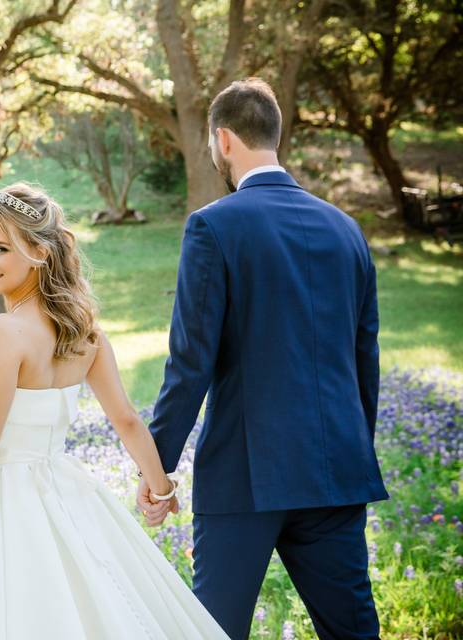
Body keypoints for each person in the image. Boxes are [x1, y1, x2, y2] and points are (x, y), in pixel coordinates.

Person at [0, 183, 227, 638]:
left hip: (3, 506)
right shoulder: (84, 331)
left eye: (1, 249)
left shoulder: (3, 332)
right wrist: (160, 488)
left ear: (40, 253)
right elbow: (125, 418)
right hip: (65, 492)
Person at [139, 78, 389, 639]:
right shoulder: (347, 231)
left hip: (245, 476)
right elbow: (363, 361)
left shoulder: (213, 225)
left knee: (213, 632)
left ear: (223, 140)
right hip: (335, 473)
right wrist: (351, 451)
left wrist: (158, 470)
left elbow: (189, 363)